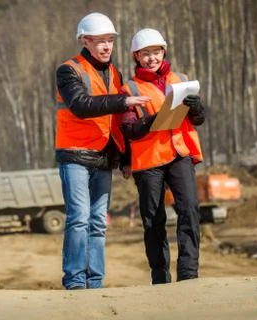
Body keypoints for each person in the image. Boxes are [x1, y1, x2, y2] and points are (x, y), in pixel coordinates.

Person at [55, 12, 149, 290]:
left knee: (98, 223)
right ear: (85, 40)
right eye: (100, 41)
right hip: (75, 154)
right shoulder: (69, 70)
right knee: (80, 218)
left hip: (104, 157)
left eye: (110, 40)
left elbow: (119, 121)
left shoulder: (116, 73)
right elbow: (81, 105)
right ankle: (74, 281)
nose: (107, 46)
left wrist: (126, 158)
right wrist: (123, 100)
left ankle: (95, 282)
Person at [120, 28, 206, 284]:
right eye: (145, 54)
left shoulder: (181, 79)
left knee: (189, 209)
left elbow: (197, 119)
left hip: (179, 153)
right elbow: (128, 129)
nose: (152, 58)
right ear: (136, 56)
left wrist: (198, 108)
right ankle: (160, 276)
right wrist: (151, 121)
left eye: (156, 52)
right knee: (153, 220)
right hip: (148, 160)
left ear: (163, 52)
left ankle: (189, 272)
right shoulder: (130, 88)